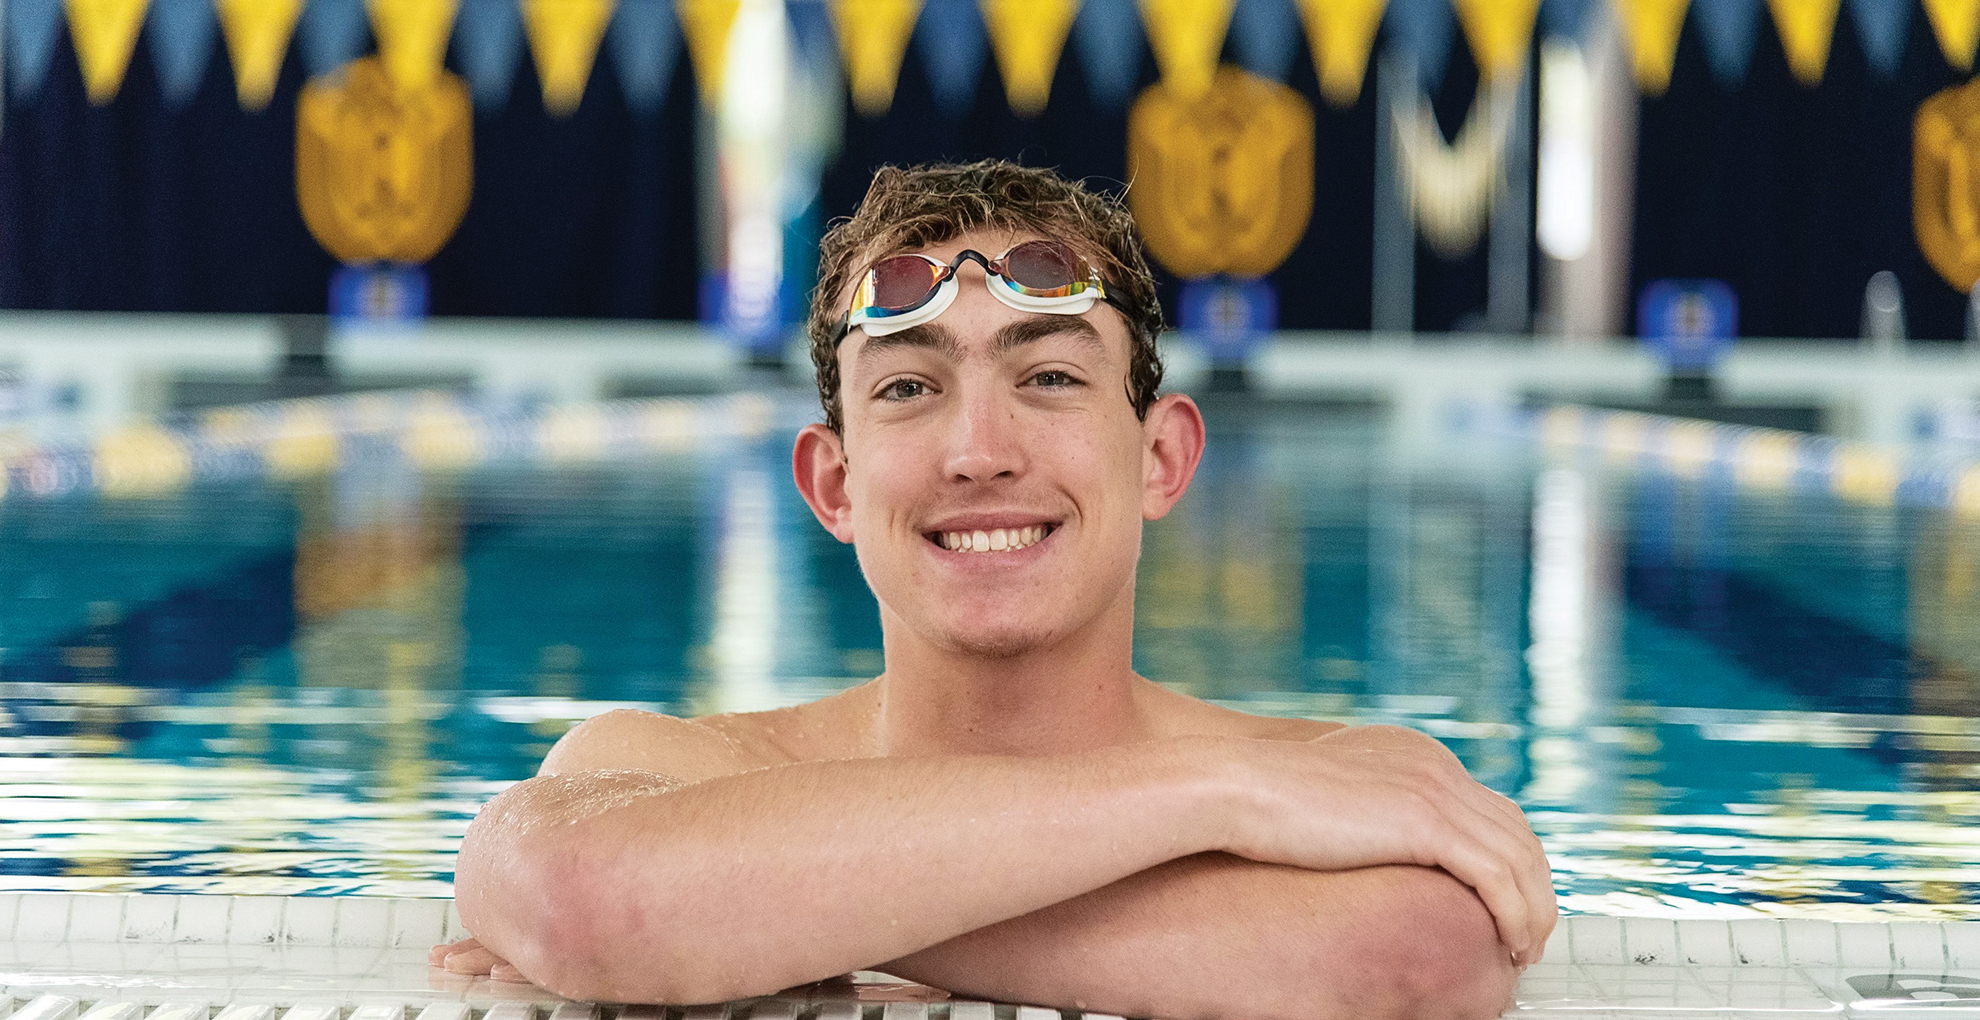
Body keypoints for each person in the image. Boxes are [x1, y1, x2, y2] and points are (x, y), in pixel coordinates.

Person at [435, 160, 1556, 1020]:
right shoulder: (677, 765)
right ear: (833, 483)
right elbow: (581, 890)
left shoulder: (1337, 775)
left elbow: (1419, 956)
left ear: (1161, 459)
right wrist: (1208, 797)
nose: (979, 450)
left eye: (1051, 376)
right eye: (912, 387)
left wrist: (738, 915)